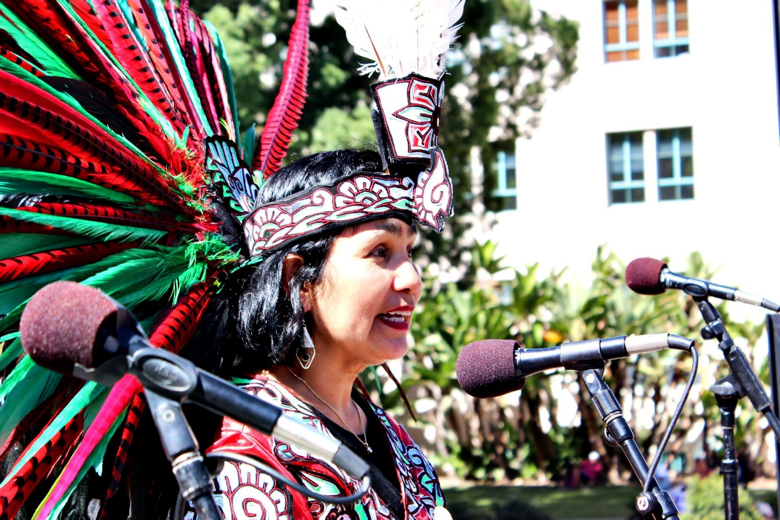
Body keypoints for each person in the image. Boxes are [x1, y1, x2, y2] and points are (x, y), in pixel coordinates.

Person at [187, 150, 450, 519]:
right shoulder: (249, 447)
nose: (412, 280)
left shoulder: (391, 436)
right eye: (380, 252)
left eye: (409, 251)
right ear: (299, 282)